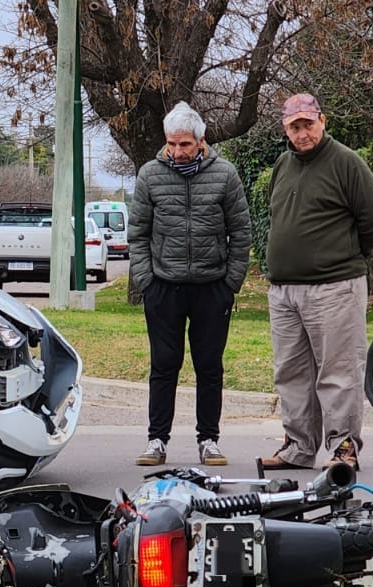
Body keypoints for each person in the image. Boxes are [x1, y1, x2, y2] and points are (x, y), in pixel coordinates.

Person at [261, 93, 373, 471]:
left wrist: (344, 255)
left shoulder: (347, 162)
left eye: (308, 124)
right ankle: (298, 447)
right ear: (286, 130)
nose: (303, 133)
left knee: (339, 371)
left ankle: (343, 448)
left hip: (334, 286)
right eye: (294, 127)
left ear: (322, 121)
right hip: (284, 290)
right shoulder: (283, 165)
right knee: (291, 372)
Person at [127, 101, 252, 467]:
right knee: (164, 364)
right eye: (172, 144)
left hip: (212, 286)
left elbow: (241, 232)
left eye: (185, 144)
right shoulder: (150, 175)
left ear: (201, 141)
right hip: (164, 285)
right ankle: (156, 440)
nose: (178, 152)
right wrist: (145, 280)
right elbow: (138, 233)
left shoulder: (225, 175)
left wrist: (231, 282)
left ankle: (208, 439)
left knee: (209, 365)